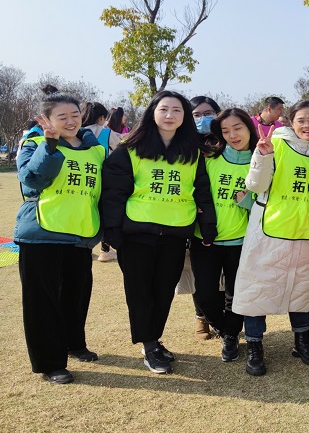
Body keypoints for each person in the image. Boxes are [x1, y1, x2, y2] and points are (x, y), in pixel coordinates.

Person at [101, 91, 217, 375]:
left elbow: (202, 191)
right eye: (164, 109)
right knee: (140, 291)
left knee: (164, 290)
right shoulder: (130, 148)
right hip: (136, 234)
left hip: (176, 233)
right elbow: (113, 191)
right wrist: (112, 231)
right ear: (152, 113)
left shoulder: (193, 153)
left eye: (177, 110)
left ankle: (153, 339)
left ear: (184, 117)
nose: (170, 115)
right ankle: (149, 345)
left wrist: (208, 227)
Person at [233, 100, 309, 377]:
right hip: (267, 231)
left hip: (304, 232)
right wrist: (262, 157)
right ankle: (254, 345)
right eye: (301, 120)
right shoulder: (276, 144)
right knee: (256, 289)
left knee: (301, 288)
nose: (307, 125)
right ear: (291, 123)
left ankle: (302, 341)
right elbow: (256, 186)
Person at [15, 92, 106, 384]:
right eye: (62, 116)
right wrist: (51, 145)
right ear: (48, 120)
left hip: (80, 235)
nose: (70, 121)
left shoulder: (96, 150)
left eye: (75, 114)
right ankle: (50, 362)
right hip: (43, 234)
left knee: (76, 296)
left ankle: (74, 344)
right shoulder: (35, 144)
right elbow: (32, 180)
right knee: (42, 301)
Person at [190, 108, 257, 362]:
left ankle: (230, 336)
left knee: (236, 294)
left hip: (241, 241)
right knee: (206, 296)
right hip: (205, 239)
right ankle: (221, 325)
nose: (232, 135)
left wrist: (248, 203)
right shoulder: (208, 159)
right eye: (226, 131)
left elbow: (270, 201)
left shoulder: (260, 161)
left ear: (248, 127)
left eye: (237, 128)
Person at [188, 95, 223, 340]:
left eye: (208, 113)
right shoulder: (185, 145)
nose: (203, 119)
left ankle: (219, 316)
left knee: (222, 275)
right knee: (200, 274)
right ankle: (202, 318)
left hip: (224, 214)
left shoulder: (224, 142)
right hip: (193, 217)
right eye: (197, 115)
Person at [81, 101, 123, 262]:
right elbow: (120, 147)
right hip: (103, 178)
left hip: (82, 178)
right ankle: (105, 250)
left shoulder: (77, 131)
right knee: (104, 214)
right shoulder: (105, 133)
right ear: (101, 117)